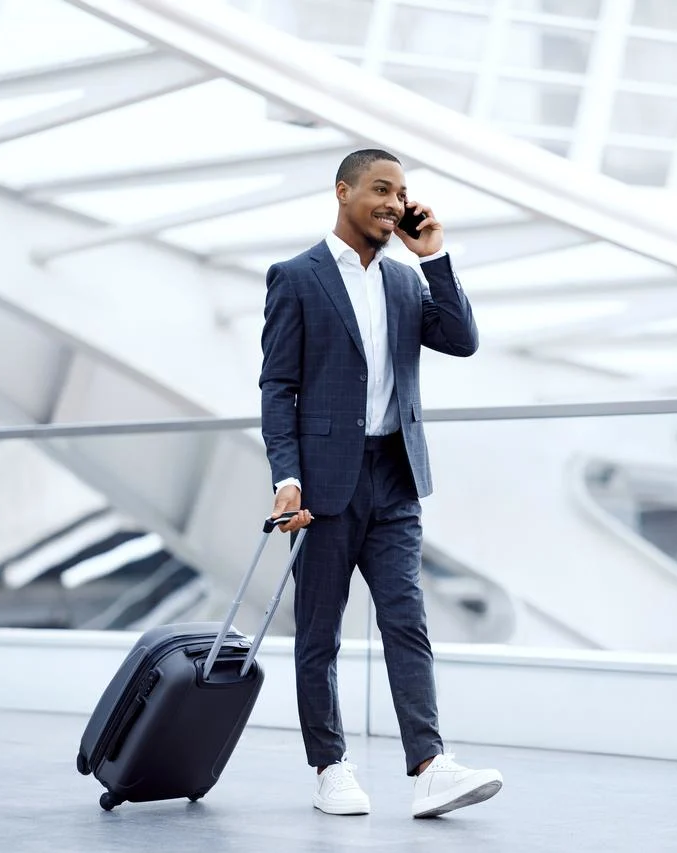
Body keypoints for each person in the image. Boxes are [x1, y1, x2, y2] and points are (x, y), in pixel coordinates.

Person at [259, 149, 502, 818]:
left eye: (402, 192)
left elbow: (461, 338)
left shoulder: (403, 280)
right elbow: (279, 387)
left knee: (407, 621)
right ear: (343, 191)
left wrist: (434, 257)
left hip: (395, 477)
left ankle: (428, 765)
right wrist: (287, 477)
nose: (394, 202)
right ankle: (330, 765)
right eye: (380, 189)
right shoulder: (296, 277)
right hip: (322, 488)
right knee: (319, 635)